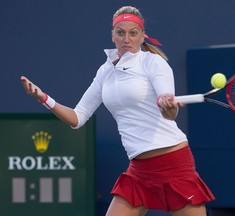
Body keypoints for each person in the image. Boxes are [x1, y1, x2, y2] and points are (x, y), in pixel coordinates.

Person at [20, 5, 215, 216]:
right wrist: (43, 98)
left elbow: (169, 112)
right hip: (139, 170)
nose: (126, 39)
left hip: (173, 162)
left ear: (142, 36)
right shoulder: (105, 72)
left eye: (133, 33)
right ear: (112, 34)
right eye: (121, 32)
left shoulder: (154, 63)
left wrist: (167, 105)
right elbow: (77, 118)